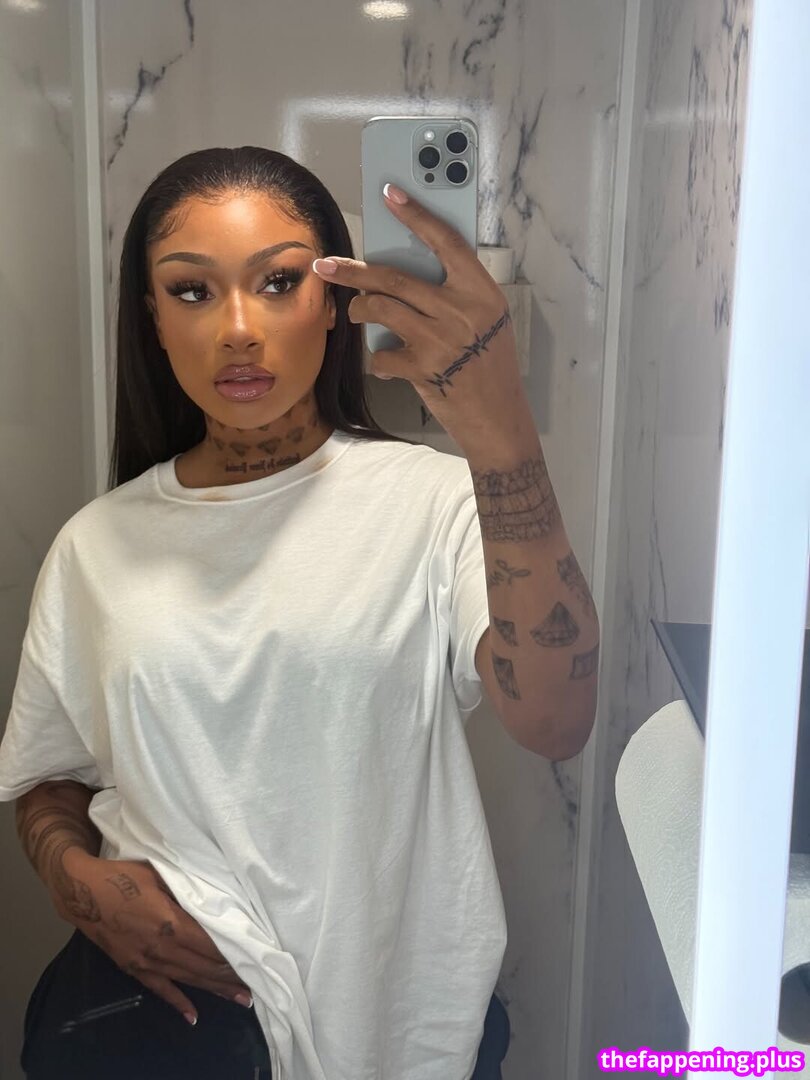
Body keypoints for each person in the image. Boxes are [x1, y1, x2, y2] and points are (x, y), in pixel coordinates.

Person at [0, 146, 513, 1079]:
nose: (238, 329)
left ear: (335, 304)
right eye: (192, 291)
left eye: (279, 282)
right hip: (175, 1031)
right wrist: (82, 885)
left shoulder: (433, 501)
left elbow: (556, 715)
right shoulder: (95, 544)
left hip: (393, 1013)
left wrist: (501, 423)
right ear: (153, 319)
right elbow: (46, 773)